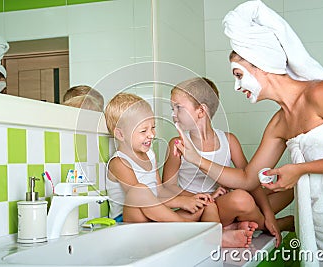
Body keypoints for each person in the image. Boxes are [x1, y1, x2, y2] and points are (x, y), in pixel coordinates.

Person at [174, 0, 323, 262]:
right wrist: (195, 158)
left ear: (260, 63)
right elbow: (248, 178)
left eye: (238, 74)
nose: (237, 86)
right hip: (320, 226)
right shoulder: (279, 123)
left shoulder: (320, 94)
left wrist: (301, 169)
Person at [104, 92, 255, 247]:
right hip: (129, 222)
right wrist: (181, 202)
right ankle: (192, 231)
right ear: (120, 134)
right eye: (144, 131)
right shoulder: (119, 162)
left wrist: (192, 199)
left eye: (153, 127)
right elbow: (140, 199)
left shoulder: (149, 155)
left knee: (206, 205)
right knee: (139, 191)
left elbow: (160, 191)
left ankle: (216, 235)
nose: (151, 134)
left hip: (154, 223)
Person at [162, 77, 288, 242]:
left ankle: (247, 221)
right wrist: (199, 197)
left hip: (222, 204)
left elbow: (250, 181)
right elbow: (168, 187)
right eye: (172, 108)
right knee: (241, 198)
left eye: (178, 108)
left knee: (285, 190)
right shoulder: (177, 144)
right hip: (199, 209)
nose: (173, 114)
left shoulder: (228, 141)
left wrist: (269, 213)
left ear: (201, 111)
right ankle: (271, 224)